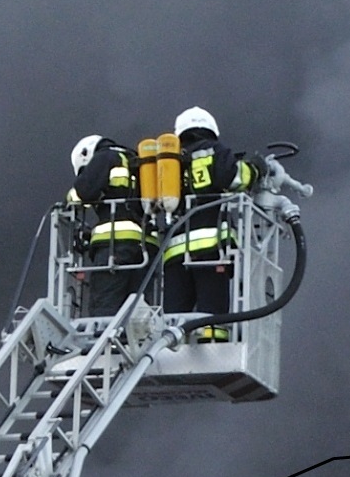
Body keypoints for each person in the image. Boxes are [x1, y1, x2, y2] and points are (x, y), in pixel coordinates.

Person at [160, 106, 264, 339]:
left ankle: (172, 348)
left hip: (174, 252)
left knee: (174, 316)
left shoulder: (169, 161)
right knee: (212, 311)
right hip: (211, 247)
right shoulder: (215, 150)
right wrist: (256, 168)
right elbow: (234, 178)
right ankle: (213, 342)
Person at [67, 135, 148, 316]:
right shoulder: (135, 161)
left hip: (113, 247)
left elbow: (85, 191)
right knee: (135, 312)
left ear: (86, 154)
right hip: (141, 246)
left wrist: (68, 200)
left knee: (104, 308)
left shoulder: (105, 157)